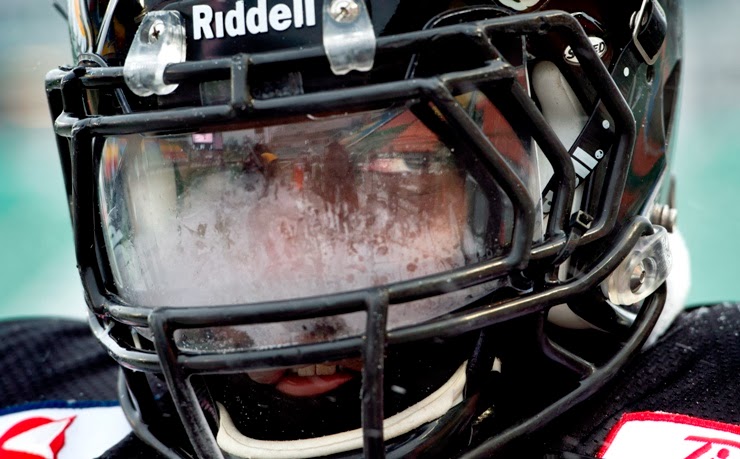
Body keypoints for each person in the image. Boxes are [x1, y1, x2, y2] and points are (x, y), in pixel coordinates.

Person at [1, 0, 738, 457]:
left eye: (393, 175)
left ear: (584, 155)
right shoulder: (33, 394)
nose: (283, 285)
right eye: (215, 180)